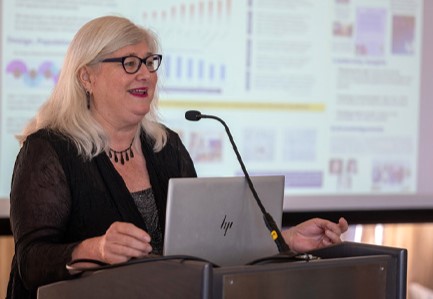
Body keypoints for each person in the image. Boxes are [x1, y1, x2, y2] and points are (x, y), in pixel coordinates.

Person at [6, 15, 348, 298]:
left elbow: (203, 247)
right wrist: (94, 250)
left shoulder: (166, 147)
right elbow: (31, 261)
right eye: (129, 63)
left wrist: (283, 241)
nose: (145, 73)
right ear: (86, 77)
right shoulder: (49, 150)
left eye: (150, 62)